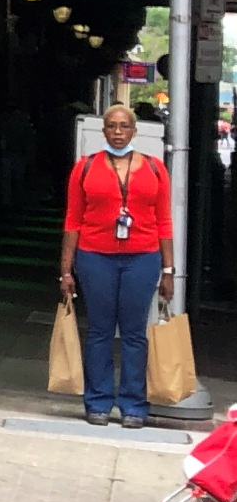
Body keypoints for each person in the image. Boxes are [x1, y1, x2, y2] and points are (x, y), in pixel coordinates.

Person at [60, 104, 176, 428]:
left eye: (124, 126)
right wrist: (66, 269)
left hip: (142, 257)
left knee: (134, 333)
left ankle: (133, 405)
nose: (118, 131)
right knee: (99, 330)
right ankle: (97, 401)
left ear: (134, 131)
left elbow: (163, 221)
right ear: (104, 131)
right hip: (95, 256)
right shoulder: (85, 168)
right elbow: (73, 220)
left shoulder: (155, 169)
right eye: (112, 125)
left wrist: (169, 270)